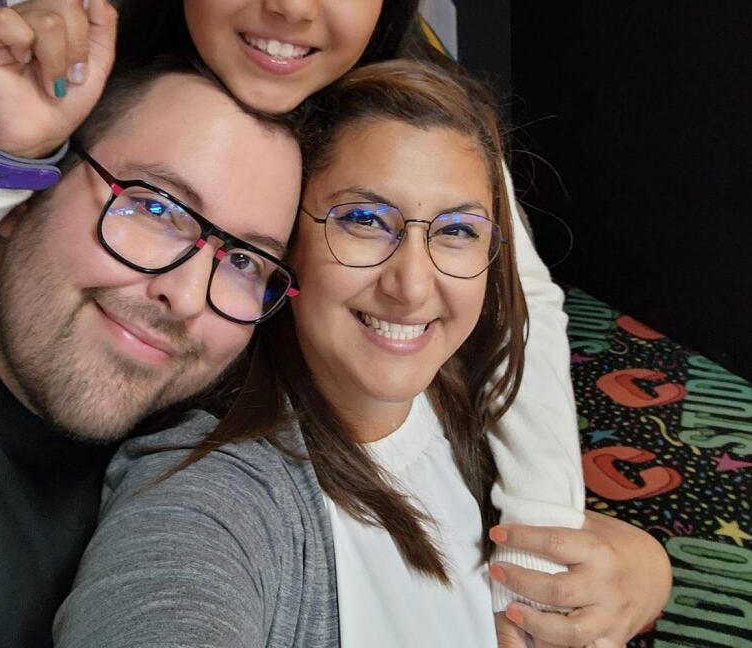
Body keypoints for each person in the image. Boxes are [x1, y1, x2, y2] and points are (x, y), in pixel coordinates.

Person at [0, 0, 580, 613]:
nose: (292, 4)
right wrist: (7, 150)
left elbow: (528, 298)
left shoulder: (403, 123)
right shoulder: (90, 80)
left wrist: (555, 537)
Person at [54, 60, 671, 648]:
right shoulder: (214, 496)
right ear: (287, 245)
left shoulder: (464, 403)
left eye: (457, 231)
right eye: (365, 220)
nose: (411, 285)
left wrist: (648, 567)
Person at [0, 52, 303, 648]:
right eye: (155, 208)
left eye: (244, 261)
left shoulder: (210, 481)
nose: (185, 295)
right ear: (25, 191)